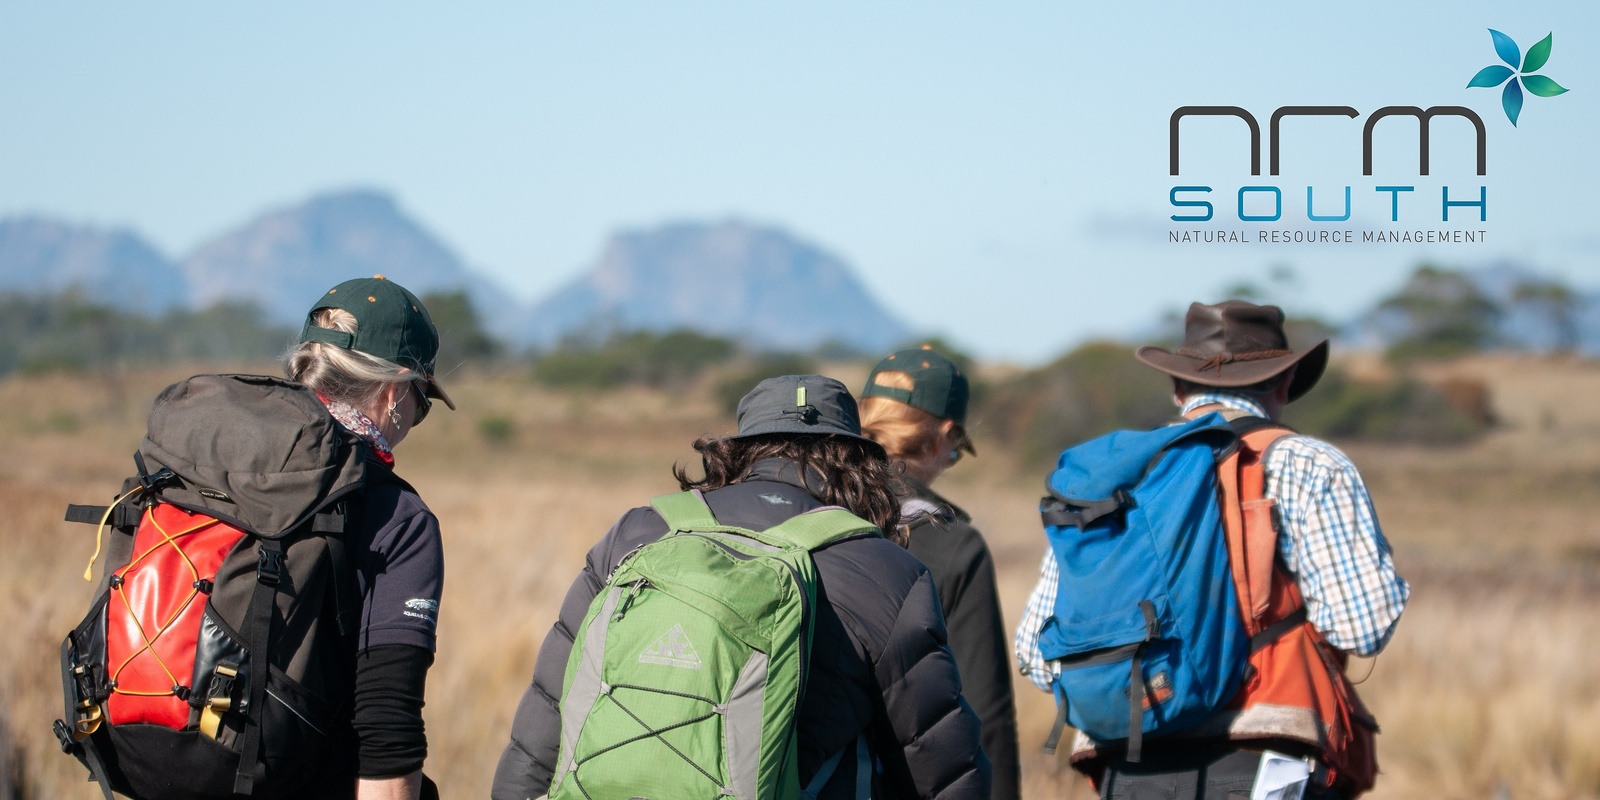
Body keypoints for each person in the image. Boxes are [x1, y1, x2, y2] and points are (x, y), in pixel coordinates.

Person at [492, 374, 992, 799]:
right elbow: (944, 769)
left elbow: (543, 723)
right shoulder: (887, 572)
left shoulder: (638, 532)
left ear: (737, 450)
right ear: (858, 461)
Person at [1014, 300, 1409, 799]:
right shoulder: (1311, 464)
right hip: (1263, 756)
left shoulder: (1116, 476)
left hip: (1129, 762)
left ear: (1179, 389)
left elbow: (1035, 654)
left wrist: (1152, 680)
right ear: (1284, 385)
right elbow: (1362, 625)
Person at [286, 275, 456, 799]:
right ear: (392, 391)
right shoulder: (398, 517)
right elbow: (386, 731)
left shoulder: (215, 466)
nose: (414, 419)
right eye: (421, 401)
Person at [858, 346, 1021, 800]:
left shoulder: (803, 509)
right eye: (954, 454)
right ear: (942, 438)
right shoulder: (954, 546)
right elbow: (985, 712)